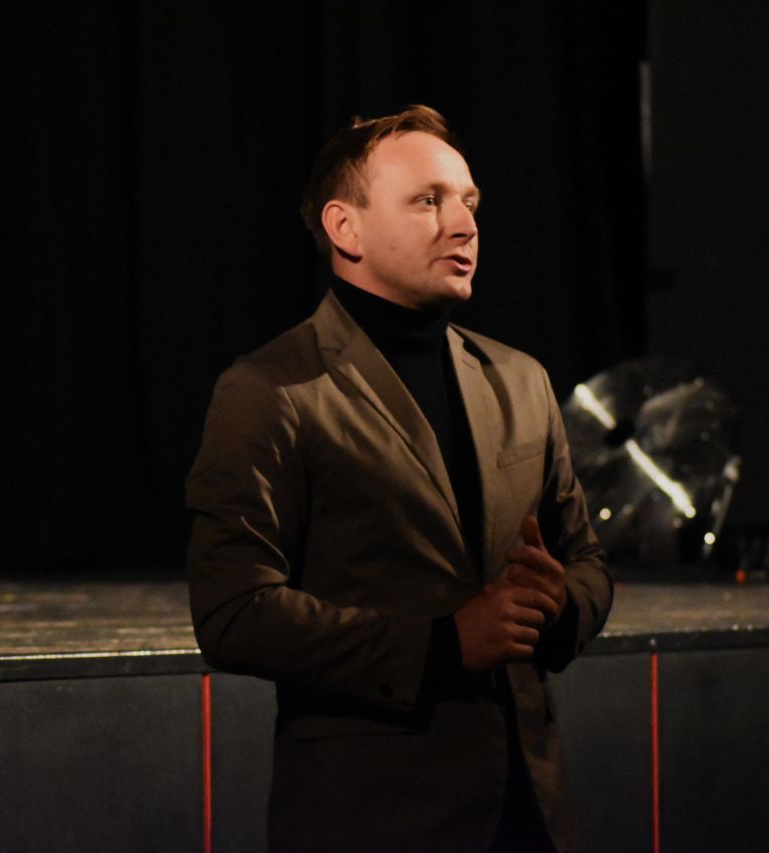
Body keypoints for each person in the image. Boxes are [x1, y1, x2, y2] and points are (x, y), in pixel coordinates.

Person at [186, 105, 612, 853]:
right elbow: (234, 612)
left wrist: (560, 605)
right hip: (373, 816)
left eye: (469, 202)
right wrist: (443, 646)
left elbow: (587, 563)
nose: (464, 225)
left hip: (532, 811)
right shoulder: (271, 389)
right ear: (345, 228)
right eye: (428, 201)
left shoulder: (521, 380)